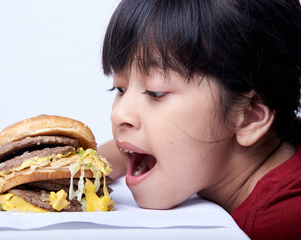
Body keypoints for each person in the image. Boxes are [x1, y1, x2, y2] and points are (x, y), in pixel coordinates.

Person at [97, 0, 301, 239]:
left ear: (248, 118)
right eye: (119, 89)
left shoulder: (279, 223)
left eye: (155, 93)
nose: (119, 114)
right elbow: (122, 153)